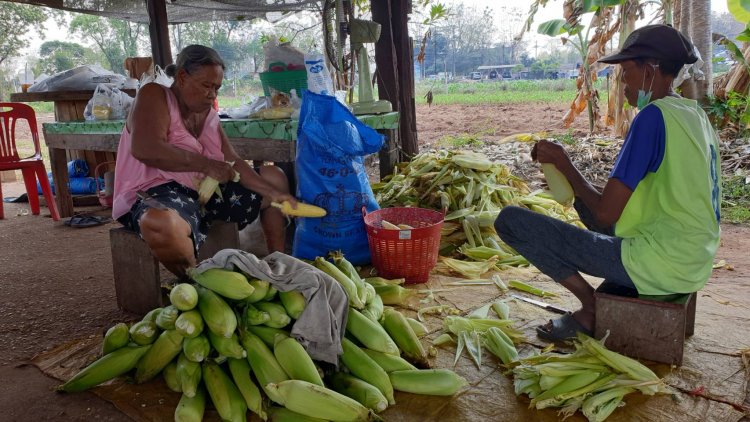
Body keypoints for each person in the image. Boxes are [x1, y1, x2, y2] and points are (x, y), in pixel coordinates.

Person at [494, 25, 721, 341]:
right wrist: (570, 177)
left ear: (650, 70)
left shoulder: (652, 118)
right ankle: (600, 298)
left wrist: (564, 163)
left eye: (627, 70)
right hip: (694, 256)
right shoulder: (694, 115)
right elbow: (612, 205)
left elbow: (606, 215)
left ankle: (591, 306)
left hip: (664, 261)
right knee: (583, 205)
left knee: (511, 222)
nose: (622, 81)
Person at [113, 45, 297, 278]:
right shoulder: (154, 95)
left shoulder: (207, 114)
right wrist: (207, 165)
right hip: (157, 192)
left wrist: (276, 194)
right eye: (206, 86)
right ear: (182, 77)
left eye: (217, 88)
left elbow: (233, 161)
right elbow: (145, 148)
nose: (212, 95)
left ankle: (279, 267)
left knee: (274, 178)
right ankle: (198, 283)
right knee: (160, 224)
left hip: (204, 193)